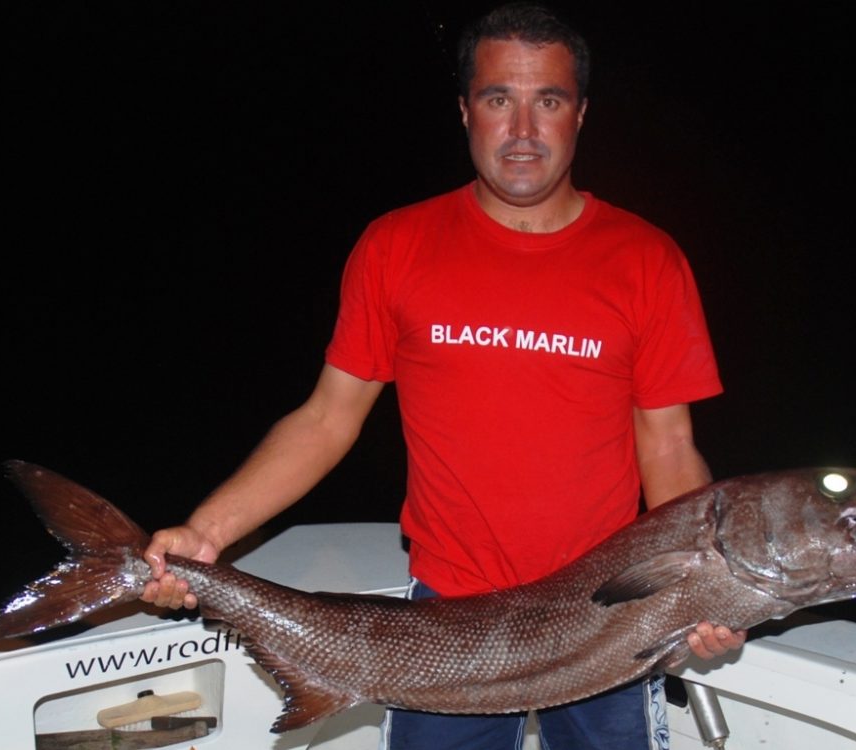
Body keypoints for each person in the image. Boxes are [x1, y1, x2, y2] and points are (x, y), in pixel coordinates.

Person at [141, 3, 745, 748]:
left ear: (581, 115)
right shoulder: (397, 246)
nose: (523, 130)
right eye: (499, 99)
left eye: (548, 100)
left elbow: (669, 449)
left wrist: (704, 591)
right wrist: (205, 533)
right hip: (444, 621)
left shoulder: (647, 260)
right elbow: (328, 419)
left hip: (610, 615)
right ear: (465, 110)